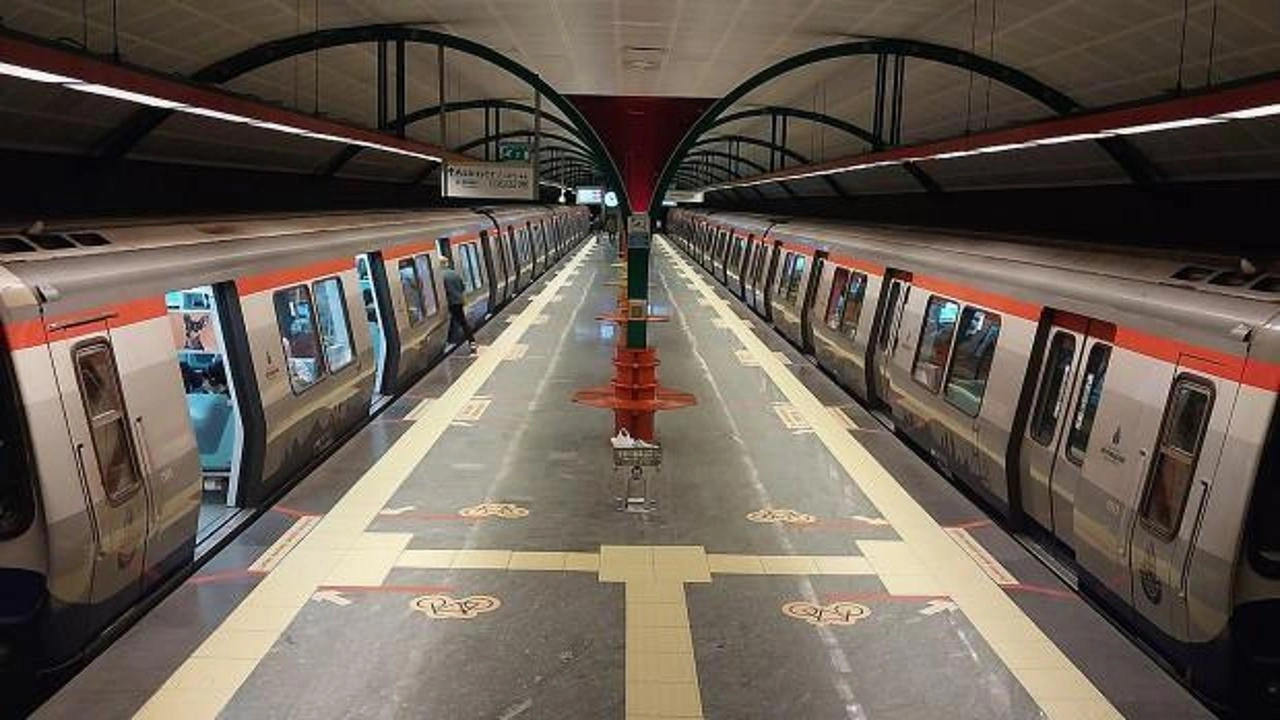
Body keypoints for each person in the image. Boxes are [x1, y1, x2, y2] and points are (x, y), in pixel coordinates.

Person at [442, 257, 476, 354]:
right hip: (459, 301)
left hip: (450, 302)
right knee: (462, 322)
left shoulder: (441, 276)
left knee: (457, 321)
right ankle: (472, 342)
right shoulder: (455, 274)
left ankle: (451, 340)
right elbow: (462, 287)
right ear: (447, 263)